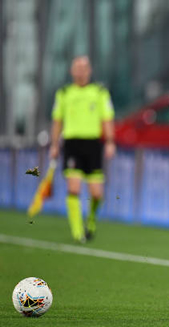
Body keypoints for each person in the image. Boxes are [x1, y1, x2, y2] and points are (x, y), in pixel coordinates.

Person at [49, 56, 116, 243]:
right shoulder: (63, 93)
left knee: (96, 194)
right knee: (74, 187)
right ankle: (78, 232)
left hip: (93, 144)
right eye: (77, 67)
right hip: (72, 144)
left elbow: (107, 118)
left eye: (84, 67)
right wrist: (54, 145)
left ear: (89, 70)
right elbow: (57, 121)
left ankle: (91, 221)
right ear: (72, 71)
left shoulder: (100, 92)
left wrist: (110, 141)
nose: (80, 71)